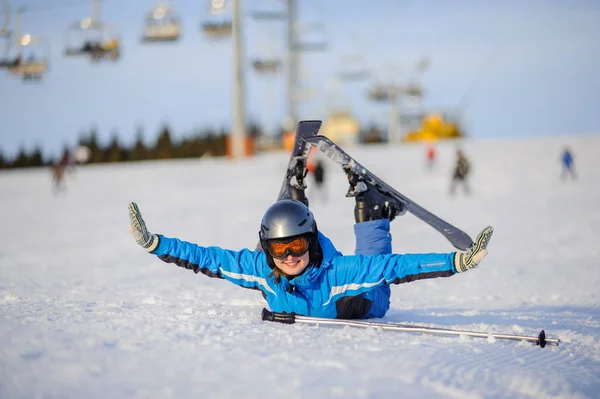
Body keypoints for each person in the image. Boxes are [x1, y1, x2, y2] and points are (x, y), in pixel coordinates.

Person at [128, 177, 493, 319]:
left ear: (311, 241)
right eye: (280, 249)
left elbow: (397, 268)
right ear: (267, 250)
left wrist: (457, 262)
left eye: (297, 245)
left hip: (361, 301)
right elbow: (208, 259)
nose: (289, 257)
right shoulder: (262, 270)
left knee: (375, 268)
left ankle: (373, 213)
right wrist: (155, 243)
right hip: (332, 288)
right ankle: (297, 198)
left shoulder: (338, 275)